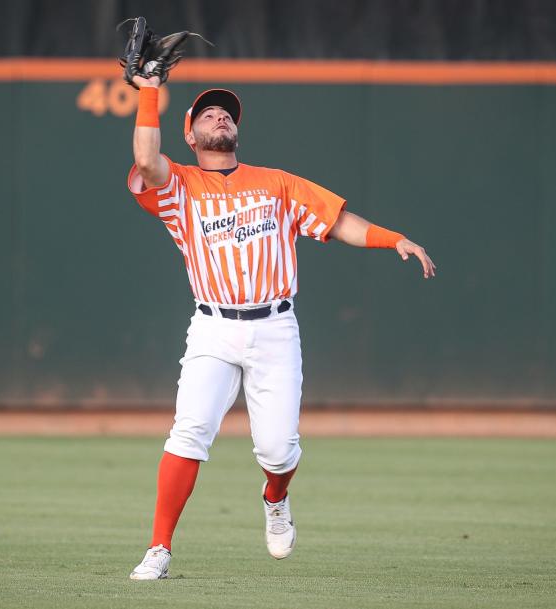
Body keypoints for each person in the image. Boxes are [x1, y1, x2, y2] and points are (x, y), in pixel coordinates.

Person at [125, 74, 436, 580]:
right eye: (207, 114)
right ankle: (158, 547)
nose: (220, 117)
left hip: (274, 327)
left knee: (277, 448)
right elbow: (144, 160)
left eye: (226, 113)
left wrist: (392, 238)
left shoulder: (277, 183)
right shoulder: (178, 186)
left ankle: (275, 497)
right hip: (213, 327)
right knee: (190, 431)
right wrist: (148, 89)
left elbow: (336, 222)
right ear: (189, 134)